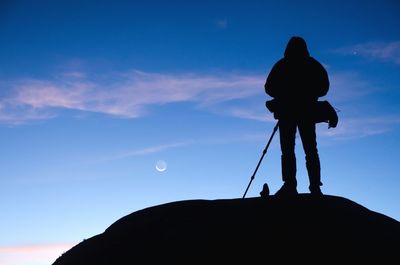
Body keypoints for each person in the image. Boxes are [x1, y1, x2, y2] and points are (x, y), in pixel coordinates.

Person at [264, 36, 329, 196]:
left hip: (290, 112)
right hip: (303, 111)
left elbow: (269, 87)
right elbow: (324, 87)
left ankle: (292, 185)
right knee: (309, 150)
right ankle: (312, 186)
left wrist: (286, 93)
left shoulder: (283, 65)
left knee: (290, 150)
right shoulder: (312, 64)